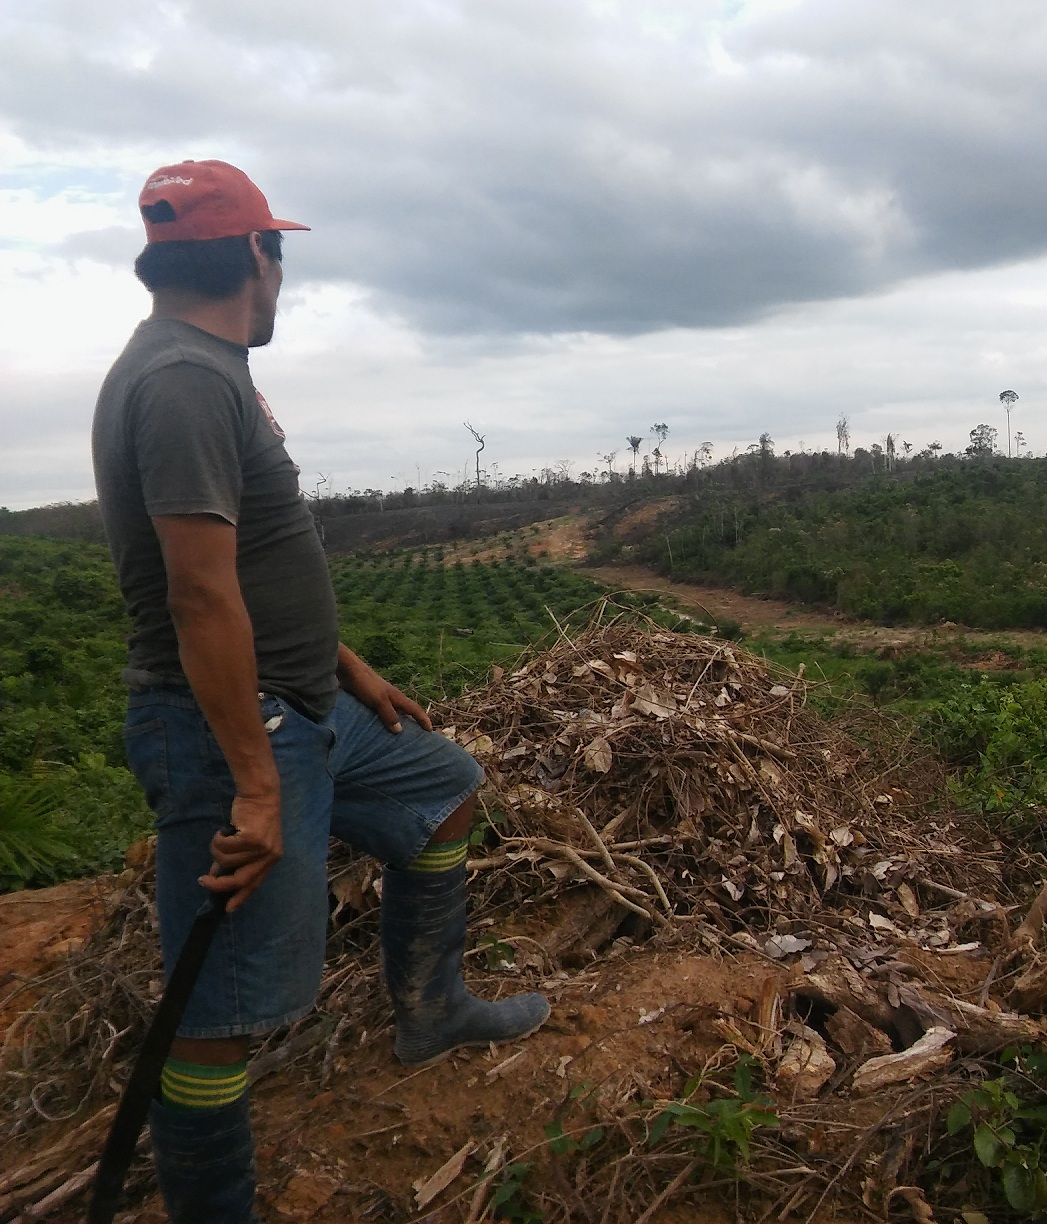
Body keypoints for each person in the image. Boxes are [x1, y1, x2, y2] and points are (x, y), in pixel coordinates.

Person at [91, 160, 548, 1224]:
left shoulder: (203, 365)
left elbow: (257, 560)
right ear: (256, 255)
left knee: (444, 789)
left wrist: (346, 666)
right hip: (232, 732)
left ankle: (430, 1008)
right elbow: (200, 596)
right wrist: (255, 783)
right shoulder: (184, 382)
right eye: (279, 254)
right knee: (218, 1009)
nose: (283, 277)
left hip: (304, 707)